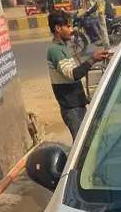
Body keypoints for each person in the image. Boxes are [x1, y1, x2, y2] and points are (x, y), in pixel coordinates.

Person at [47, 9, 109, 140]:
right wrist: (92, 59)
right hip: (71, 108)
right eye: (67, 26)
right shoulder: (55, 51)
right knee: (81, 143)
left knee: (87, 140)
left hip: (77, 104)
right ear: (58, 28)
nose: (71, 29)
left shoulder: (64, 48)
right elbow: (73, 74)